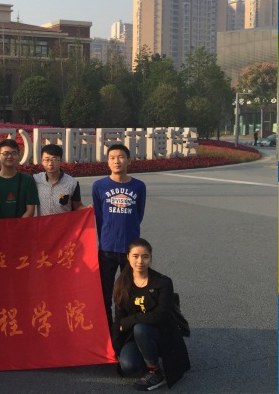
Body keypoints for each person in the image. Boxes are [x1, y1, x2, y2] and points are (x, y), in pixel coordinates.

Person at [112, 239, 190, 390]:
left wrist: (130, 321)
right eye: (135, 256)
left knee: (140, 328)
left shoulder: (163, 282)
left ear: (151, 258)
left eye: (145, 256)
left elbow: (159, 316)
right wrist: (116, 349)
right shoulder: (122, 284)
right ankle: (146, 354)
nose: (140, 261)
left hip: (162, 332)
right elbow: (119, 320)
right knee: (128, 366)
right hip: (135, 335)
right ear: (128, 257)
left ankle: (155, 371)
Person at [92, 144, 146, 329]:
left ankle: (123, 329)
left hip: (130, 250)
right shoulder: (99, 186)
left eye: (121, 157)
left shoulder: (138, 186)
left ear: (129, 161)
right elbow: (99, 216)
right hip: (107, 249)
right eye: (112, 158)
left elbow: (139, 215)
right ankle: (107, 331)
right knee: (104, 293)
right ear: (107, 162)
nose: (117, 161)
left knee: (127, 293)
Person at [0, 139, 39, 218]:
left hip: (21, 225)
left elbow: (30, 210)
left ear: (18, 155)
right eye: (6, 153)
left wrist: (17, 225)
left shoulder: (27, 180)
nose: (10, 156)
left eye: (14, 153)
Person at [33, 144, 86, 216]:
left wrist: (88, 209)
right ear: (42, 161)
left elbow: (77, 206)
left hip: (64, 222)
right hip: (43, 223)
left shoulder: (72, 183)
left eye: (54, 159)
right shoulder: (35, 180)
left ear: (61, 161)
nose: (50, 163)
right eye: (47, 160)